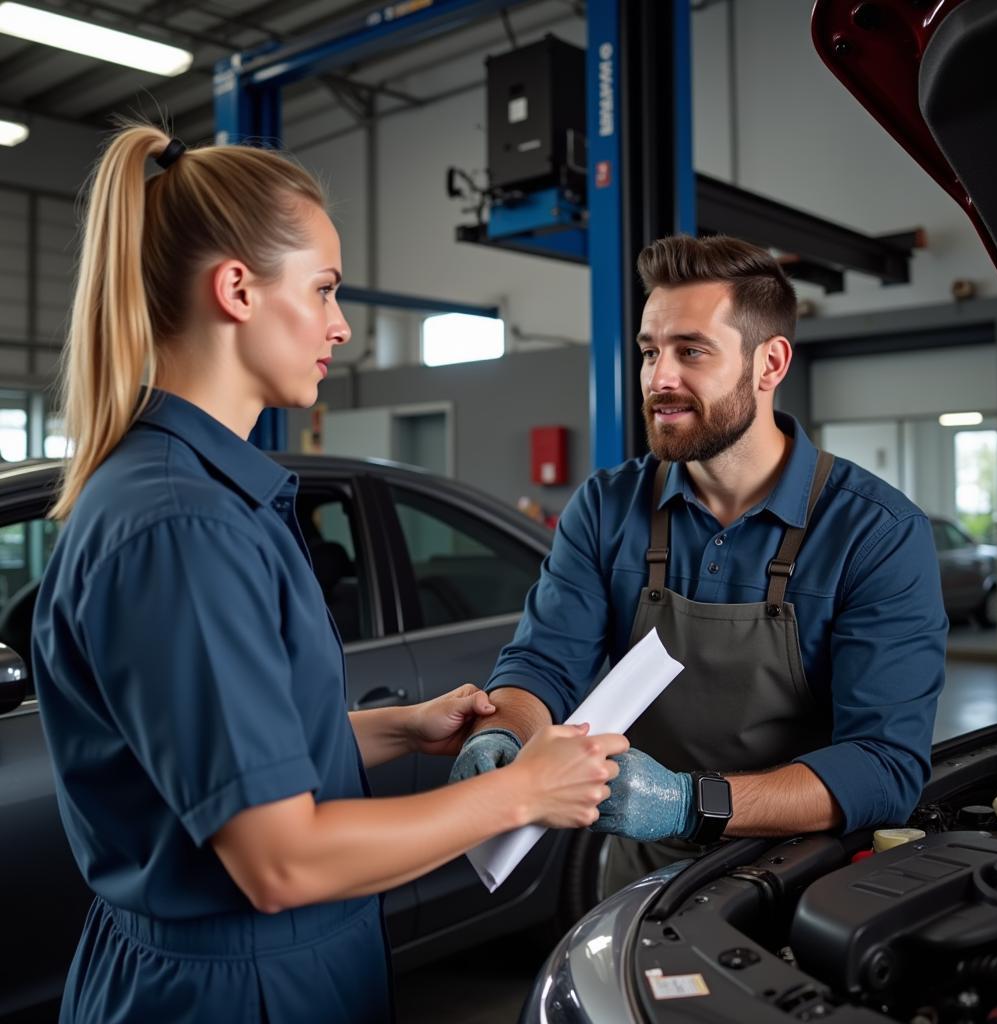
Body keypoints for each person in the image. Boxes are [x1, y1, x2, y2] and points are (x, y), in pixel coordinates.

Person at [31, 123, 628, 1024]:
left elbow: (235, 753)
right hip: (230, 994)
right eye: (322, 289)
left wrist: (400, 727)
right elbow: (282, 859)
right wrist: (520, 789)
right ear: (236, 289)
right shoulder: (181, 527)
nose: (341, 325)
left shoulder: (203, 497)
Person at [450, 233, 947, 898]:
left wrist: (693, 802)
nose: (660, 378)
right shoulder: (608, 507)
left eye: (690, 351)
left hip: (801, 881)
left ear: (769, 364)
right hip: (641, 871)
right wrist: (506, 730)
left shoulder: (876, 533)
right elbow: (543, 662)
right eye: (650, 351)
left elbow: (884, 767)